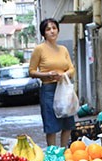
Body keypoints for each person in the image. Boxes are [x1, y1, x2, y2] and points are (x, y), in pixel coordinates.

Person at [29, 18, 76, 147]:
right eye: (48, 29)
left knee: (68, 123)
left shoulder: (63, 49)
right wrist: (47, 75)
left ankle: (63, 151)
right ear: (43, 33)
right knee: (52, 126)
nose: (52, 31)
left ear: (58, 30)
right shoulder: (39, 49)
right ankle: (52, 155)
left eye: (54, 28)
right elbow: (31, 72)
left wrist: (64, 74)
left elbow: (71, 69)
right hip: (49, 90)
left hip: (64, 88)